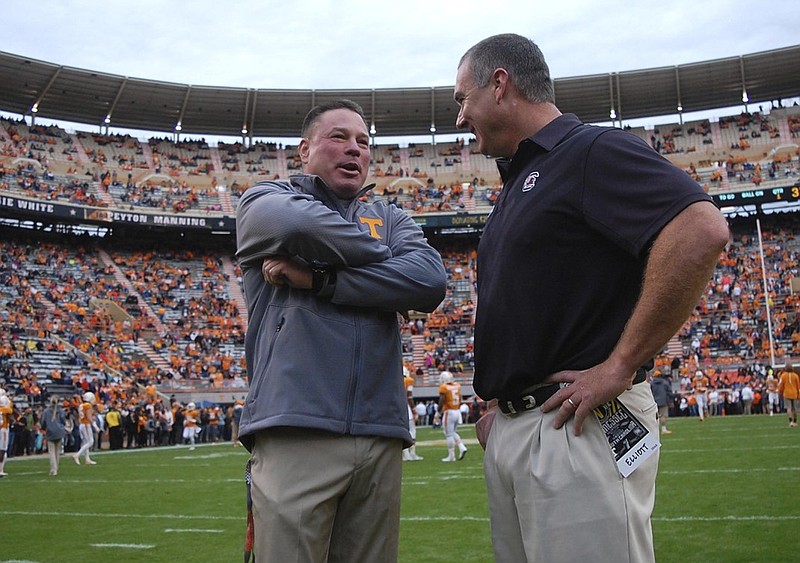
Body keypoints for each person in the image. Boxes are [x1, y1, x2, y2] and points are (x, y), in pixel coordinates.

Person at [456, 34, 729, 563]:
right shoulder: (519, 181)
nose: (461, 118)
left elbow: (701, 229)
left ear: (499, 85)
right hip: (523, 429)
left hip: (577, 424)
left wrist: (620, 364)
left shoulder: (587, 150)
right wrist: (499, 408)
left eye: (462, 100)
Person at [235, 99, 446, 562]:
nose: (355, 149)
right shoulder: (263, 200)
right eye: (339, 137)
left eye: (364, 141)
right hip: (296, 428)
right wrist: (385, 264)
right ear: (304, 150)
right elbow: (296, 223)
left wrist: (322, 278)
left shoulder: (392, 217)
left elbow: (430, 281)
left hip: (380, 432)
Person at [438, 370, 468, 462]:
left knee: (449, 434)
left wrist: (438, 411)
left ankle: (451, 456)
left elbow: (442, 400)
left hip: (449, 411)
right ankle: (462, 447)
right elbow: (460, 399)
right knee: (453, 432)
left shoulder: (444, 387)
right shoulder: (457, 386)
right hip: (456, 410)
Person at [41, 396, 67, 476]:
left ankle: (53, 469)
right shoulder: (61, 411)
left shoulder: (46, 411)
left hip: (50, 431)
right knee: (57, 451)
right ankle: (56, 468)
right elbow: (63, 421)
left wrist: (45, 428)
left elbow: (43, 422)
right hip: (59, 431)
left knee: (51, 452)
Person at [402, 367, 423, 461]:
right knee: (412, 430)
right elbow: (409, 396)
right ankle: (412, 453)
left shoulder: (394, 380)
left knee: (402, 430)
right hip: (405, 407)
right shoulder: (408, 380)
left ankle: (406, 454)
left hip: (396, 407)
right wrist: (414, 409)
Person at [72, 392, 98, 465]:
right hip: (86, 424)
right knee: (90, 442)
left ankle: (87, 459)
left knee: (85, 442)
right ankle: (77, 455)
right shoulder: (87, 405)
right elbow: (89, 417)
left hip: (82, 424)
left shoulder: (81, 405)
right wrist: (95, 425)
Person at [777, 360, 800, 427]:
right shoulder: (795, 376)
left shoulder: (783, 376)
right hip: (794, 393)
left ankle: (790, 421)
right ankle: (795, 421)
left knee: (788, 408)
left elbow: (781, 385)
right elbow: (798, 386)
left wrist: (780, 392)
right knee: (794, 408)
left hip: (786, 394)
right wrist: (798, 394)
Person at [0, 391, 13, 477]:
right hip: (3, 429)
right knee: (3, 450)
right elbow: (11, 414)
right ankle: (0, 469)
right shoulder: (5, 409)